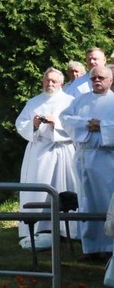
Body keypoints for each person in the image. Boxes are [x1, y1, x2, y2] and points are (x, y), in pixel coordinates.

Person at [15, 67, 78, 240]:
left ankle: (67, 229)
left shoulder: (70, 101)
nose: (50, 84)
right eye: (47, 80)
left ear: (61, 83)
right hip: (39, 153)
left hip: (61, 150)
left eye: (54, 81)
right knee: (38, 189)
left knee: (62, 187)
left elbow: (75, 125)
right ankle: (38, 227)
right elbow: (21, 123)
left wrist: (55, 123)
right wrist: (34, 124)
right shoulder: (34, 102)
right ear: (42, 82)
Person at [61, 64, 114, 262]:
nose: (97, 81)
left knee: (106, 201)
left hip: (106, 158)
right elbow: (65, 118)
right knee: (86, 202)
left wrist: (103, 126)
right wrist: (85, 124)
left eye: (101, 78)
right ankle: (90, 247)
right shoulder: (80, 100)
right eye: (93, 78)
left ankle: (110, 246)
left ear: (110, 80)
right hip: (83, 156)